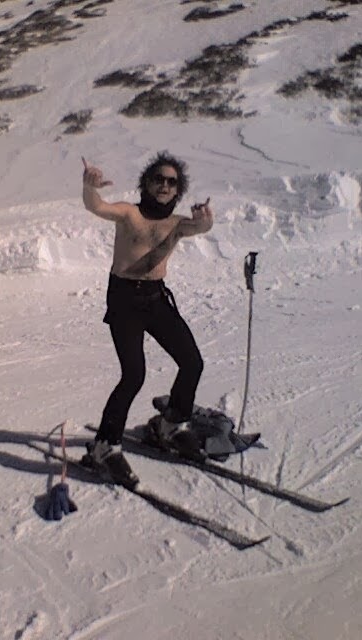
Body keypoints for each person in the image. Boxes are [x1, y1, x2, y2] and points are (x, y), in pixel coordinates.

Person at [82, 151, 213, 487]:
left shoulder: (178, 224)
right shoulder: (130, 213)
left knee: (192, 362)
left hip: (155, 298)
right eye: (158, 179)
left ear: (178, 189)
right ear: (147, 183)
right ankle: (105, 446)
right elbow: (97, 207)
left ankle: (173, 424)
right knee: (134, 376)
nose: (164, 186)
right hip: (124, 300)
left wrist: (205, 217)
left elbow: (202, 226)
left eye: (172, 181)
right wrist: (89, 186)